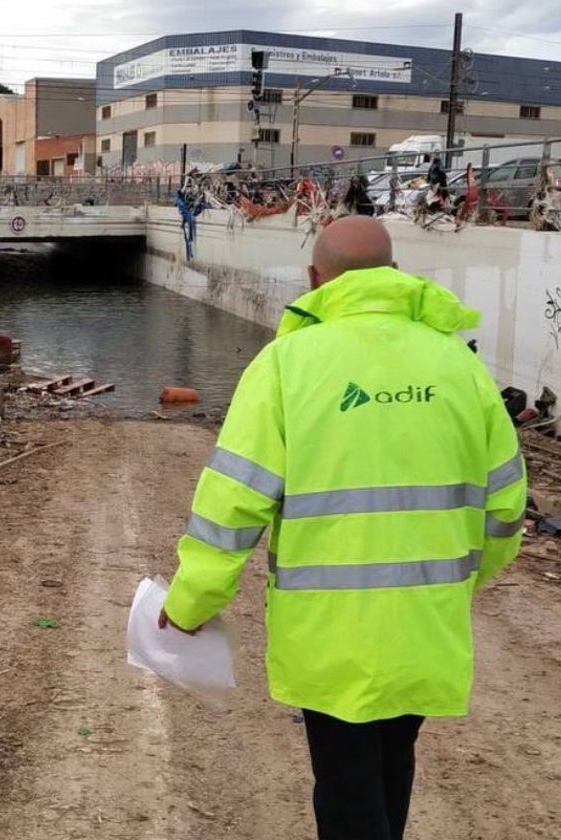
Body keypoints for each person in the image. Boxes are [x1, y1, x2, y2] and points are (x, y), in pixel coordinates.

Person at [158, 216, 526, 840]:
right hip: (425, 626)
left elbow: (233, 505)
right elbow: (506, 508)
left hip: (331, 634)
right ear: (395, 272)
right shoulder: (458, 365)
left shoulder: (287, 364)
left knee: (349, 793)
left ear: (315, 279)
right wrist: (457, 583)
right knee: (390, 769)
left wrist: (191, 601)